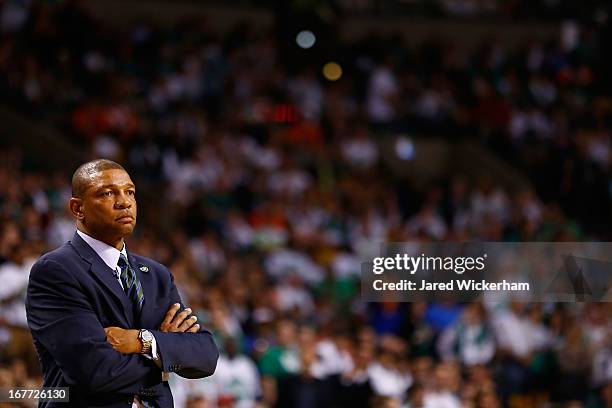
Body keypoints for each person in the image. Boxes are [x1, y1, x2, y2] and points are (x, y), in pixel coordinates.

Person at [25, 159, 219, 407]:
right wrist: (165, 356)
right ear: (77, 208)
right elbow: (95, 372)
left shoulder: (157, 274)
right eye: (107, 193)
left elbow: (205, 355)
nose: (124, 202)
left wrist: (143, 341)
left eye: (130, 192)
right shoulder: (56, 270)